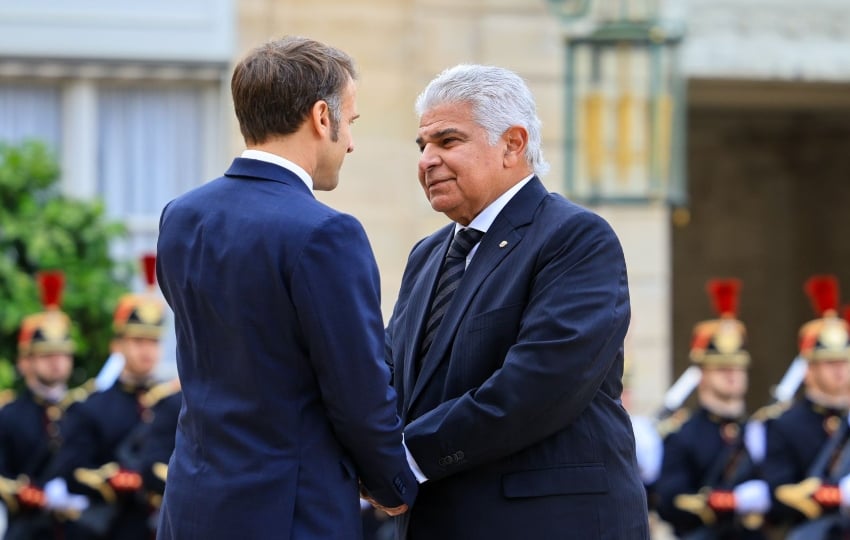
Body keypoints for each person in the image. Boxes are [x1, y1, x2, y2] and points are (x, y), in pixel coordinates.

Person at [155, 36, 417, 539]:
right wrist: (395, 484)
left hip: (191, 505)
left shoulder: (181, 217)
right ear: (323, 117)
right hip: (290, 513)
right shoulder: (326, 233)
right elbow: (357, 390)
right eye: (351, 123)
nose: (352, 143)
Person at [384, 64, 648, 539]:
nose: (426, 160)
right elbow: (388, 372)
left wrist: (404, 456)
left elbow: (540, 383)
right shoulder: (427, 256)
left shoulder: (575, 237)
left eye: (447, 141)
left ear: (513, 144)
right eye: (422, 146)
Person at [44, 254, 175, 540]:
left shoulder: (172, 402)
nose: (147, 350)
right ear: (118, 344)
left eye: (153, 341)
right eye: (138, 340)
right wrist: (110, 479)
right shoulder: (90, 406)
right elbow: (70, 470)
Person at [654, 278, 769, 539]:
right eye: (721, 368)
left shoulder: (756, 430)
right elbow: (669, 502)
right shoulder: (682, 434)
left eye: (738, 368)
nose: (732, 376)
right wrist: (723, 502)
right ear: (701, 374)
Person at [0, 271, 88, 540]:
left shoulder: (82, 410)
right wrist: (27, 494)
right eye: (46, 355)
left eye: (62, 354)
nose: (56, 362)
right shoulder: (9, 415)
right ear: (25, 361)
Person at [765, 275, 850, 539]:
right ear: (808, 369)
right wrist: (836, 495)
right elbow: (778, 499)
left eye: (844, 361)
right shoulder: (785, 425)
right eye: (829, 362)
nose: (840, 370)